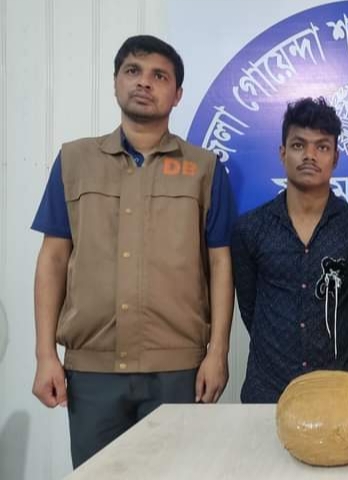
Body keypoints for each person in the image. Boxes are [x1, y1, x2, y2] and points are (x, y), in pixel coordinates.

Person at [31, 35, 235, 467]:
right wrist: (45, 354)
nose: (144, 82)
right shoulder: (74, 161)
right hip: (92, 371)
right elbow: (53, 259)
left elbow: (220, 263)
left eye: (159, 76)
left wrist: (218, 353)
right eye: (133, 71)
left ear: (177, 95)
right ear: (115, 83)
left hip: (177, 370)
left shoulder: (203, 168)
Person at [231, 97, 348, 403]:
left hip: (337, 392)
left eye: (322, 147)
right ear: (282, 153)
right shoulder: (251, 228)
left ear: (335, 157)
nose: (309, 155)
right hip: (267, 391)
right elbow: (250, 308)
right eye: (299, 145)